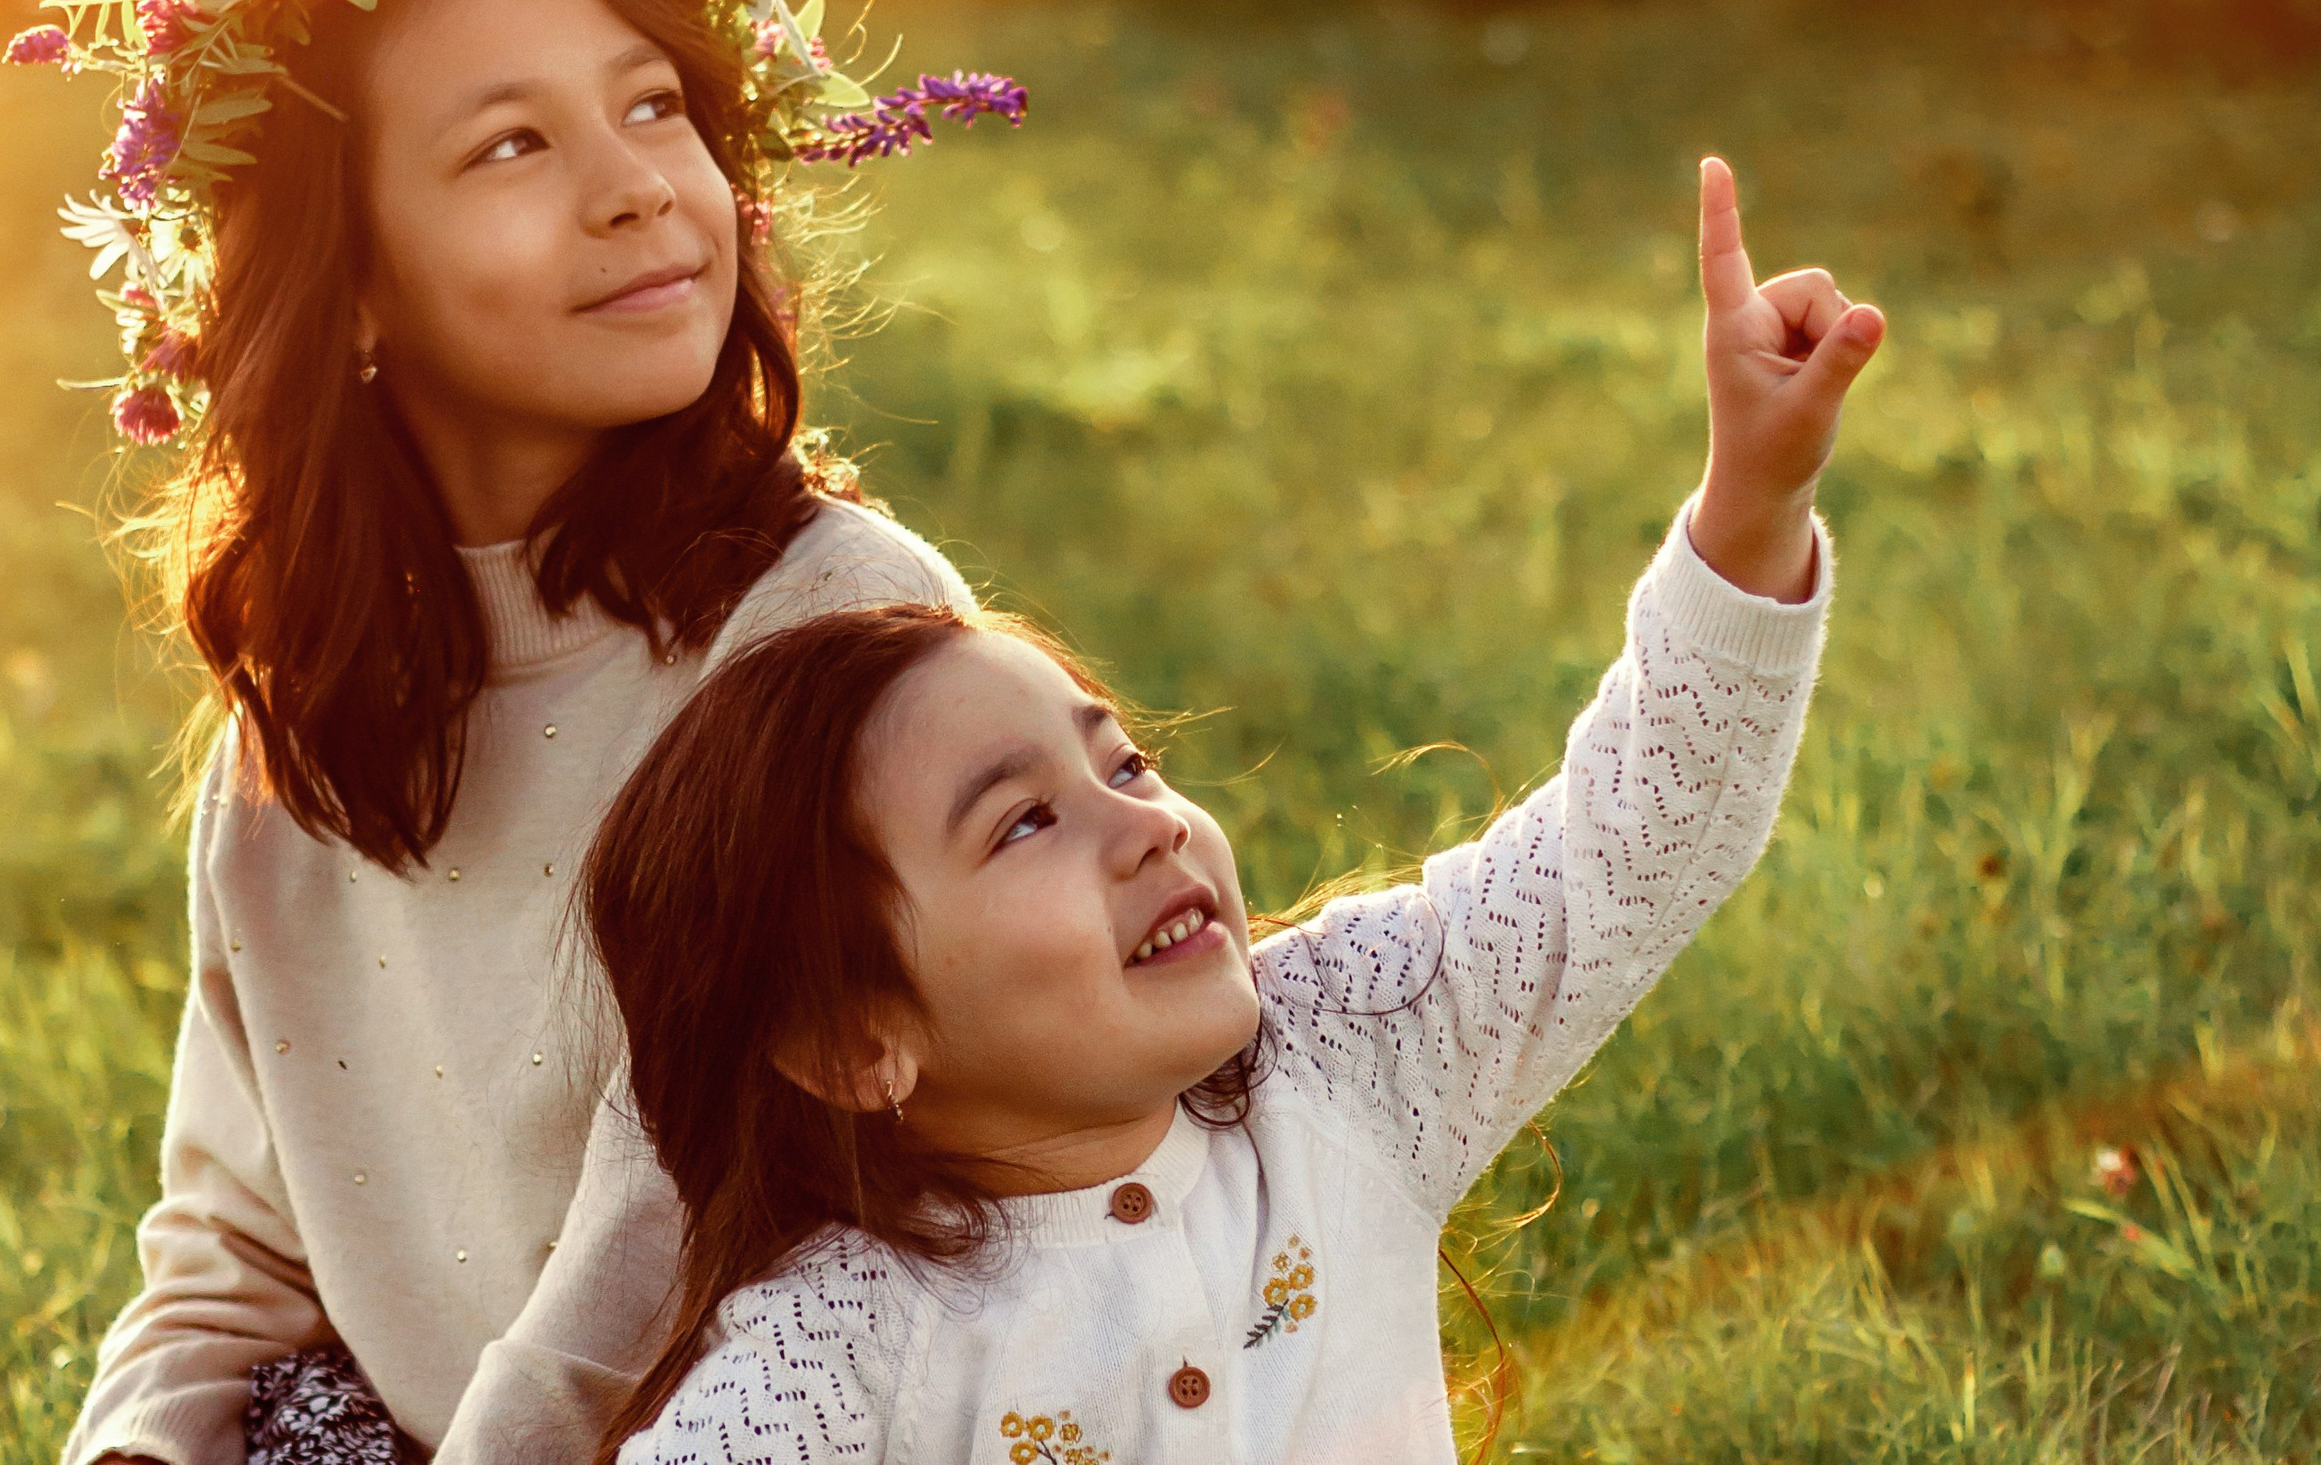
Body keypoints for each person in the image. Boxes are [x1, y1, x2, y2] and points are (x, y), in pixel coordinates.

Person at [2, 0, 1024, 1464]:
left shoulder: (830, 628)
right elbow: (235, 1238)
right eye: (511, 144)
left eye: (651, 106)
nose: (637, 188)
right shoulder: (306, 712)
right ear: (352, 295)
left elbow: (675, 1226)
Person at [577, 157, 1884, 1464]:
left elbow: (1633, 849)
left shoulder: (1348, 1061)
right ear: (860, 1039)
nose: (1144, 823)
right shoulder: (839, 1352)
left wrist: (1755, 503)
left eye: (1127, 763)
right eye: (1022, 821)